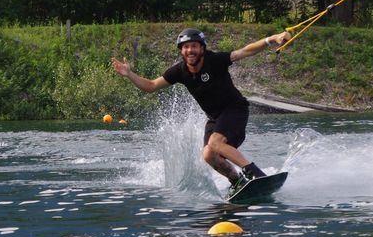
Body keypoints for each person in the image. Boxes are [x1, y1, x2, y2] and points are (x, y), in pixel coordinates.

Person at [111, 27, 292, 195]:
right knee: (209, 155)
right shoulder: (179, 71)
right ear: (181, 51)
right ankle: (237, 181)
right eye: (186, 47)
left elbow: (246, 51)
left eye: (194, 46)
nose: (190, 50)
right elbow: (150, 86)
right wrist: (129, 74)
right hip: (214, 118)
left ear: (202, 48)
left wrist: (273, 39)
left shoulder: (215, 61)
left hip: (235, 109)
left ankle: (256, 174)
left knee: (215, 143)